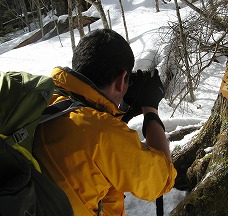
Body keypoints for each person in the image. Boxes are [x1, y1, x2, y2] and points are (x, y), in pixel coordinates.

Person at [33, 28, 177, 216]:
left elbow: (87, 123)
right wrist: (150, 107)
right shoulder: (103, 135)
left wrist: (121, 109)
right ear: (121, 79)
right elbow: (162, 179)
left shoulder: (43, 97)